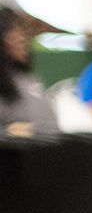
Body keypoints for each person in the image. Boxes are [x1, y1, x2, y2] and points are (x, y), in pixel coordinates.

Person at [0, 7, 58, 135]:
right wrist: (9, 133)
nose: (21, 38)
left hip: (47, 150)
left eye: (22, 30)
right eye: (11, 32)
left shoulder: (26, 78)